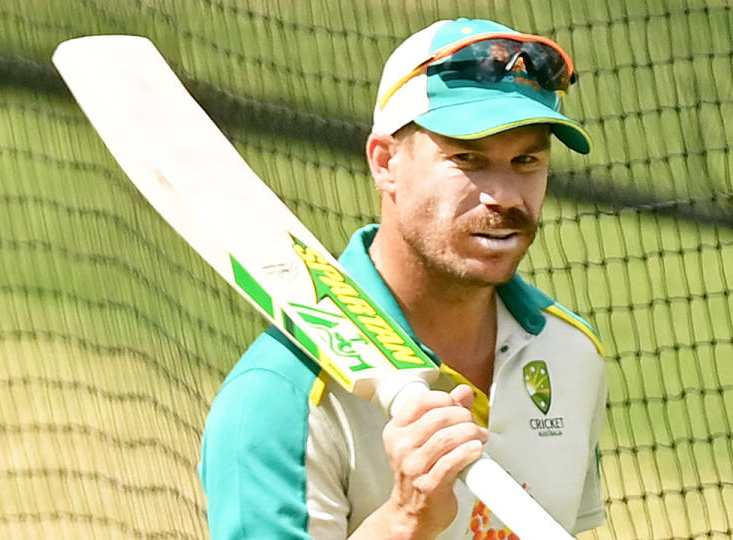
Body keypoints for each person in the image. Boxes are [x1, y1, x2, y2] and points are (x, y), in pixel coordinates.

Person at [198, 17, 607, 540]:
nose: (504, 194)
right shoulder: (279, 396)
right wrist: (405, 520)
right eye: (468, 159)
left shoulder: (572, 353)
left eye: (526, 160)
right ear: (386, 162)